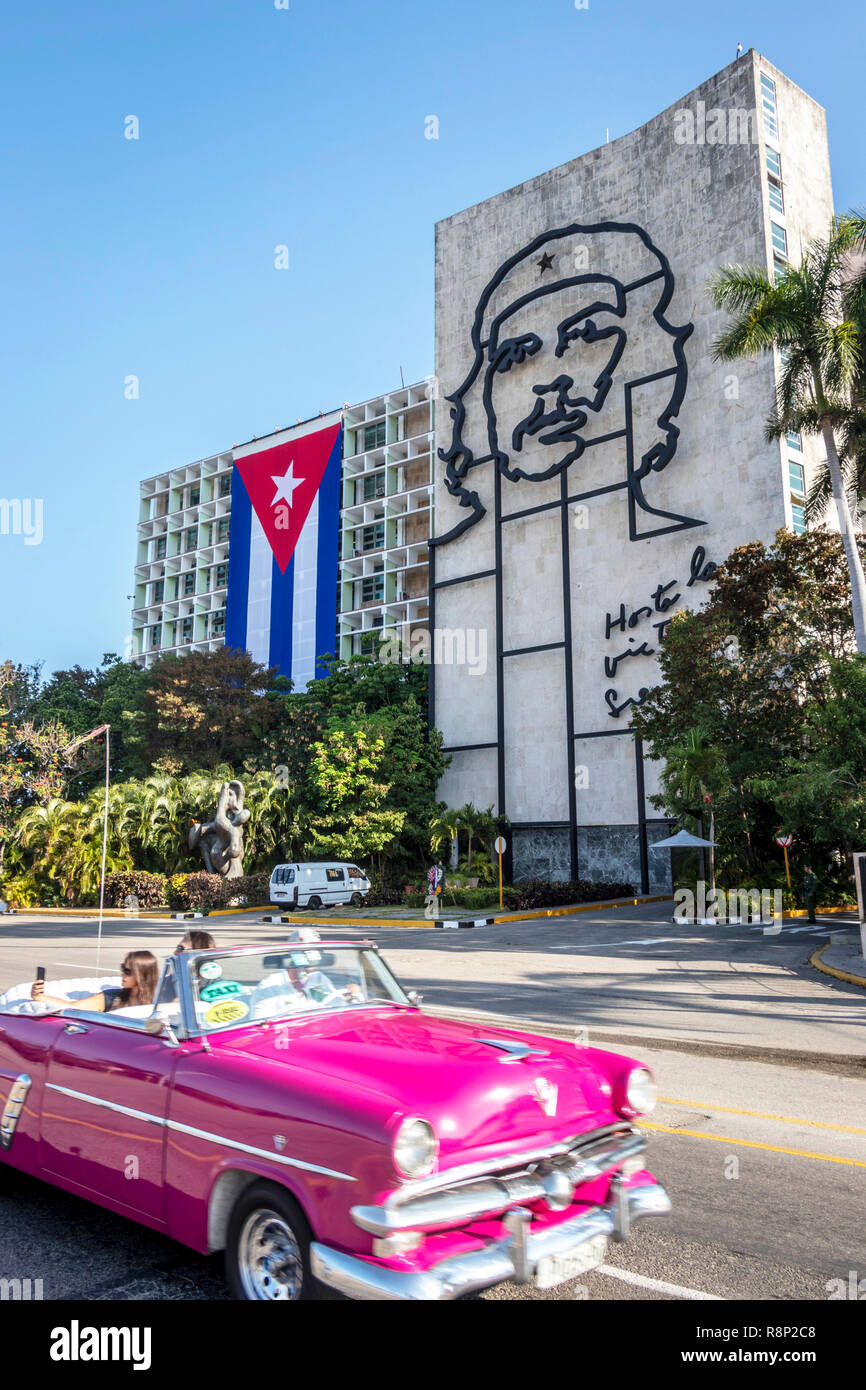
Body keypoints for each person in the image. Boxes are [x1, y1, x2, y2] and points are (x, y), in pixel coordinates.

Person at [31, 950, 159, 1013]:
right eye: (122, 969)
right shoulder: (112, 997)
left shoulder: (159, 1001)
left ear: (142, 976)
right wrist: (40, 997)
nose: (122, 975)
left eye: (127, 972)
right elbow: (74, 1006)